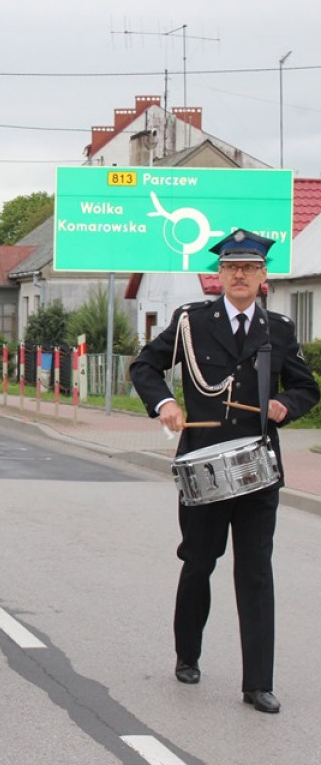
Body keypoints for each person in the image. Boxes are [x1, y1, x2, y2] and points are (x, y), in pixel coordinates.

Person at [129, 229, 319, 715]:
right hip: (204, 466)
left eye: (249, 268)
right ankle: (187, 653)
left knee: (256, 572)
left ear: (263, 277)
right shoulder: (192, 322)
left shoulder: (277, 329)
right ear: (219, 276)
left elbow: (306, 388)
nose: (239, 275)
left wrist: (284, 405)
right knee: (199, 562)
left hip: (258, 468)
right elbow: (145, 367)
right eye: (231, 267)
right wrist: (165, 402)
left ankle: (258, 683)